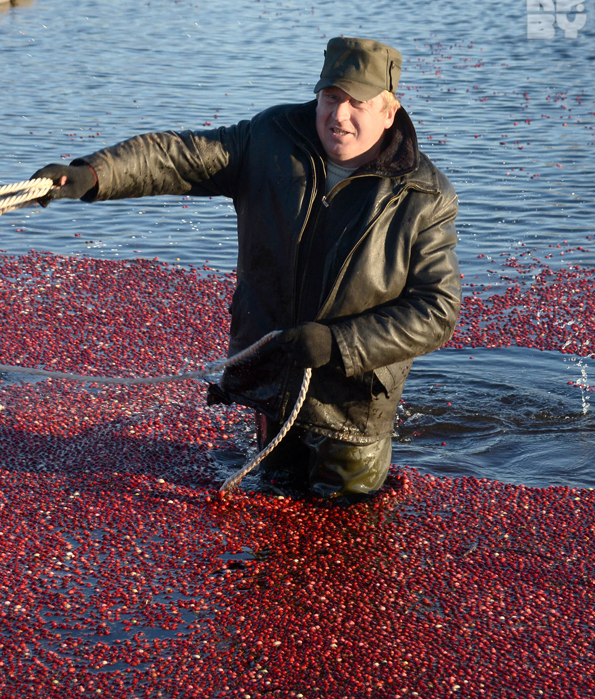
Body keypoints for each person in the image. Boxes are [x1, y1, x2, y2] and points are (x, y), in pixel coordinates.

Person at [31, 37, 461, 501]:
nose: (339, 115)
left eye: (357, 102)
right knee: (270, 508)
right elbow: (179, 157)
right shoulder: (269, 139)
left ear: (388, 111)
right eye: (331, 98)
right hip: (272, 383)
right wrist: (93, 176)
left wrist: (337, 343)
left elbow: (436, 310)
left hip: (353, 406)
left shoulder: (424, 195)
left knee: (348, 527)